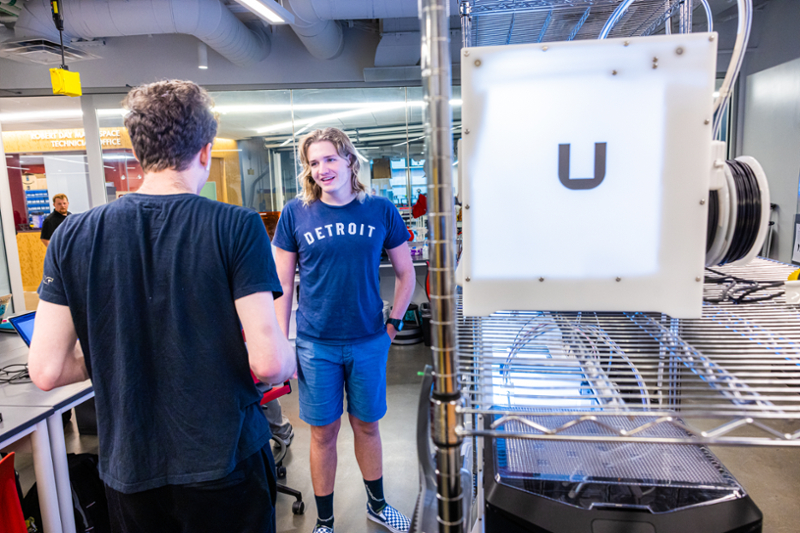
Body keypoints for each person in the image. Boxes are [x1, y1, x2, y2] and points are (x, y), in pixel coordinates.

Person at [28, 79, 296, 533]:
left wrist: (118, 354)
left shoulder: (72, 234)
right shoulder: (237, 225)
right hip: (223, 462)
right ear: (206, 151)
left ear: (136, 152)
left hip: (130, 470)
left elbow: (47, 370)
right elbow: (270, 364)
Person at [272, 127, 416, 533]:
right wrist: (283, 347)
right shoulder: (295, 214)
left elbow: (406, 275)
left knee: (367, 426)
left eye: (330, 159)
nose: (322, 169)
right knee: (323, 434)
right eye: (314, 162)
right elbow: (282, 287)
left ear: (350, 160)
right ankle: (325, 522)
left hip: (370, 340)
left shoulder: (380, 209)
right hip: (316, 345)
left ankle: (377, 505)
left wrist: (393, 326)